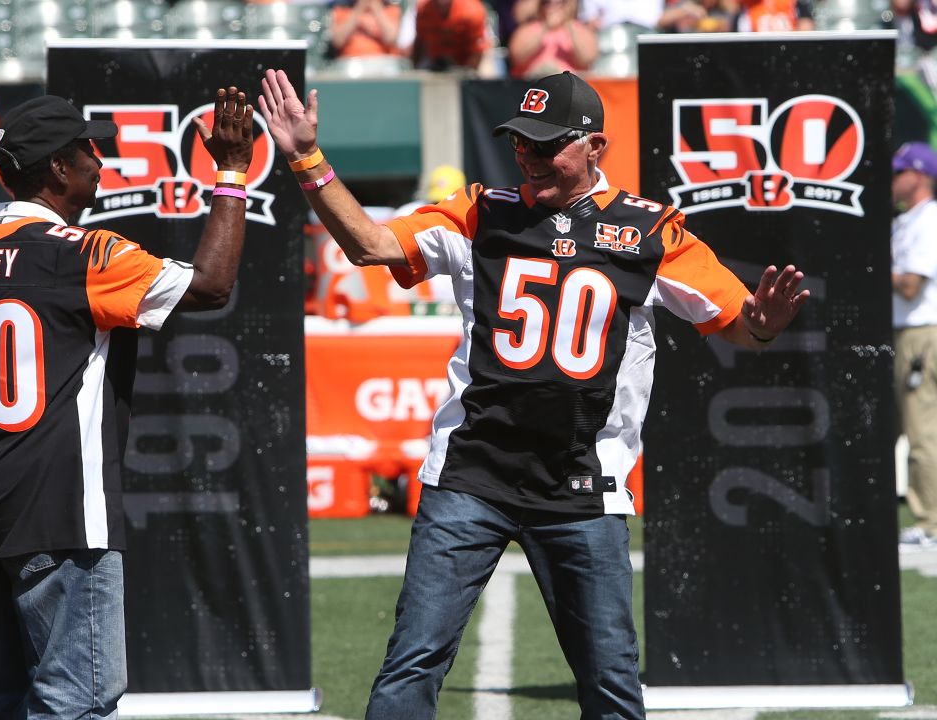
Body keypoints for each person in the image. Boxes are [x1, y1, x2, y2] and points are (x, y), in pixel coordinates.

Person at [258, 67, 809, 718]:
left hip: (581, 486)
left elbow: (737, 324)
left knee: (611, 681)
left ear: (595, 147)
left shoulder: (650, 231)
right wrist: (305, 158)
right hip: (471, 475)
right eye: (521, 141)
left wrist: (765, 325)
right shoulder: (480, 213)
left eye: (547, 144)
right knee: (411, 666)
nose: (529, 156)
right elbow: (371, 245)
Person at [0, 88, 254, 719]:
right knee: (78, 703)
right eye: (88, 150)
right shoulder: (87, 254)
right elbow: (212, 286)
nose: (101, 161)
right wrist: (231, 173)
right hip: (63, 513)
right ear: (57, 170)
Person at [892, 141, 937, 550]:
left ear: (918, 175)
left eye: (898, 172)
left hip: (923, 334)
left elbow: (910, 286)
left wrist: (869, 266)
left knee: (923, 431)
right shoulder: (909, 220)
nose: (892, 180)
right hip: (914, 333)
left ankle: (930, 525)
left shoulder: (928, 220)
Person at [507, 0, 597, 80]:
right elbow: (517, 58)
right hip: (534, 85)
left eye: (561, 2)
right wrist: (545, 26)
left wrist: (569, 24)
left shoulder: (580, 30)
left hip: (569, 85)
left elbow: (586, 60)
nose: (553, 6)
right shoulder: (527, 29)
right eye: (547, 2)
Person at [406, 0, 493, 73]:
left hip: (467, 61)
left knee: (486, 72)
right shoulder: (423, 9)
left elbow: (478, 52)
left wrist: (467, 74)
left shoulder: (472, 10)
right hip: (436, 61)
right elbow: (419, 43)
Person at [329, 0, 402, 60]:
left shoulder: (391, 9)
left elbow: (391, 38)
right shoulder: (342, 9)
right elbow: (338, 41)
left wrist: (376, 8)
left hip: (384, 64)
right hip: (350, 64)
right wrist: (359, 8)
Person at [734, 0, 814, 32]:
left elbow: (806, 29)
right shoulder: (746, 5)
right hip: (757, 52)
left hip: (789, 50)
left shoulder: (794, 3)